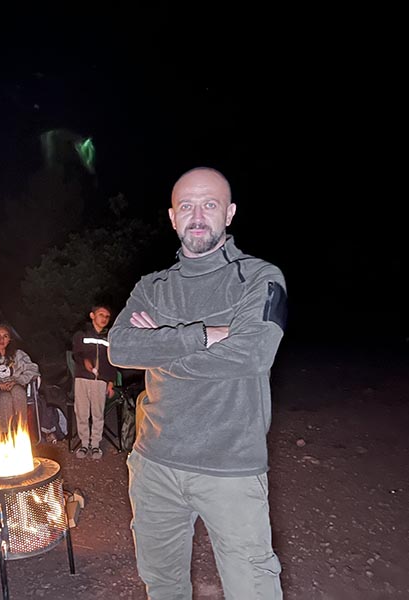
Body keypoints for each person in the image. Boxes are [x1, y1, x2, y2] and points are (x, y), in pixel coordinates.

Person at [108, 167, 287, 599]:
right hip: (154, 465)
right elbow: (119, 350)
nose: (198, 215)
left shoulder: (261, 278)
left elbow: (252, 355)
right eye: (186, 206)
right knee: (163, 585)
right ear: (172, 217)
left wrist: (160, 345)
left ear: (229, 213)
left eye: (209, 204)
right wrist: (205, 335)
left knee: (253, 590)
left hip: (231, 469)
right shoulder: (151, 287)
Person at [71, 303, 118, 460]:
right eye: (101, 315)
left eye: (107, 316)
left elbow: (112, 361)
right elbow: (76, 354)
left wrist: (111, 382)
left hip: (101, 381)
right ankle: (84, 444)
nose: (104, 318)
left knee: (98, 413)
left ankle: (96, 444)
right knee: (82, 412)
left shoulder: (109, 337)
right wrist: (84, 360)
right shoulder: (82, 334)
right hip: (82, 378)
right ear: (92, 316)